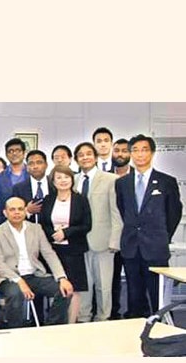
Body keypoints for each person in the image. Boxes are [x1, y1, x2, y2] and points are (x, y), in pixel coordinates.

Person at [115, 134, 182, 317]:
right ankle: (136, 333)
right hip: (131, 247)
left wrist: (162, 237)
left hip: (155, 248)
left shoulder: (166, 181)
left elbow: (174, 213)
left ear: (152, 153)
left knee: (158, 297)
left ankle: (164, 334)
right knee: (134, 297)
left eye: (144, 150)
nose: (139, 154)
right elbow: (124, 210)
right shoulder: (122, 183)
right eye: (135, 150)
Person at [0, 197, 73, 328]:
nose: (17, 212)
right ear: (5, 213)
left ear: (25, 211)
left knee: (63, 290)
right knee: (16, 293)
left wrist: (61, 277)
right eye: (12, 209)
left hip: (34, 275)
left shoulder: (36, 229)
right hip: (7, 278)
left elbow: (49, 254)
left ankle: (52, 329)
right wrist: (19, 281)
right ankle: (16, 331)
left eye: (20, 209)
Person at [73, 142, 122, 322]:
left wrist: (115, 240)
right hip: (79, 242)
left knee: (104, 286)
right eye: (80, 155)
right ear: (76, 159)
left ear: (95, 157)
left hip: (103, 241)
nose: (85, 157)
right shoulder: (73, 180)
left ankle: (103, 318)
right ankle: (83, 318)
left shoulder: (110, 179)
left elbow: (116, 213)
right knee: (83, 285)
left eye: (88, 154)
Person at [40, 166, 92, 324]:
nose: (63, 181)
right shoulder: (49, 199)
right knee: (56, 288)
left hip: (74, 251)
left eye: (66, 177)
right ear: (53, 182)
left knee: (74, 289)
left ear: (72, 179)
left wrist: (66, 232)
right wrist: (54, 233)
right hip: (53, 251)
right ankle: (55, 323)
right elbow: (42, 223)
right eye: (59, 178)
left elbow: (86, 225)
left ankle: (71, 324)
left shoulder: (81, 199)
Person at [110, 138, 133, 319]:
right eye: (117, 150)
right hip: (113, 237)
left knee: (135, 279)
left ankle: (136, 314)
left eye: (124, 151)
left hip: (136, 238)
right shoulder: (106, 177)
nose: (120, 154)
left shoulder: (139, 177)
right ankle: (114, 313)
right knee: (113, 279)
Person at [0, 138, 28, 229]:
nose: (14, 153)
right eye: (10, 151)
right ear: (6, 155)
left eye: (18, 150)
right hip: (6, 225)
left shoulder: (32, 174)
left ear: (24, 153)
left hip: (30, 224)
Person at [11, 149, 53, 224]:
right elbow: (13, 214)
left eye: (39, 162)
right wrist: (27, 210)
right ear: (27, 167)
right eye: (31, 163)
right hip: (29, 231)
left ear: (46, 165)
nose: (35, 166)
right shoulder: (18, 188)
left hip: (54, 231)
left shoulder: (55, 185)